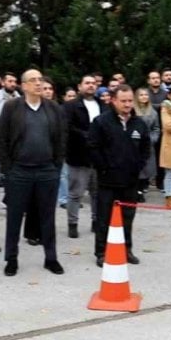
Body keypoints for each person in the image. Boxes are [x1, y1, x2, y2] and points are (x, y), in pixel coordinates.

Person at [0, 69, 66, 276]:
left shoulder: (53, 108)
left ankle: (51, 258)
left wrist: (56, 166)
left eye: (40, 80)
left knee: (47, 216)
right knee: (14, 217)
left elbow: (61, 139)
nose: (38, 84)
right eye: (33, 80)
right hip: (19, 171)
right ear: (24, 85)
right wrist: (8, 171)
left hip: (47, 170)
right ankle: (11, 259)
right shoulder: (12, 108)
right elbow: (2, 139)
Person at [88, 85, 150, 267]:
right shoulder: (101, 122)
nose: (127, 104)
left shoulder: (139, 124)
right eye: (123, 101)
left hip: (130, 181)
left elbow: (146, 148)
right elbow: (92, 147)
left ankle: (126, 249)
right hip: (108, 181)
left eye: (130, 100)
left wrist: (138, 166)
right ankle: (101, 252)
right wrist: (104, 168)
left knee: (127, 217)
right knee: (104, 218)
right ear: (113, 100)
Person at [63, 75, 101, 239]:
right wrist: (88, 136)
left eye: (93, 83)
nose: (91, 86)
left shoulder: (103, 105)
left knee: (97, 193)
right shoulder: (71, 106)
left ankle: (96, 222)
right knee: (75, 193)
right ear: (80, 86)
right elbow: (68, 127)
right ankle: (73, 224)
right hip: (78, 156)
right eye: (87, 83)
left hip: (98, 157)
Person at [133, 87, 161, 202]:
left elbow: (156, 128)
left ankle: (141, 190)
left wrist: (153, 139)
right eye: (141, 95)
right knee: (136, 169)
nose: (144, 97)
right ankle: (135, 191)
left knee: (147, 169)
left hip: (148, 143)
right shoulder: (132, 111)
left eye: (146, 95)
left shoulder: (153, 112)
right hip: (134, 142)